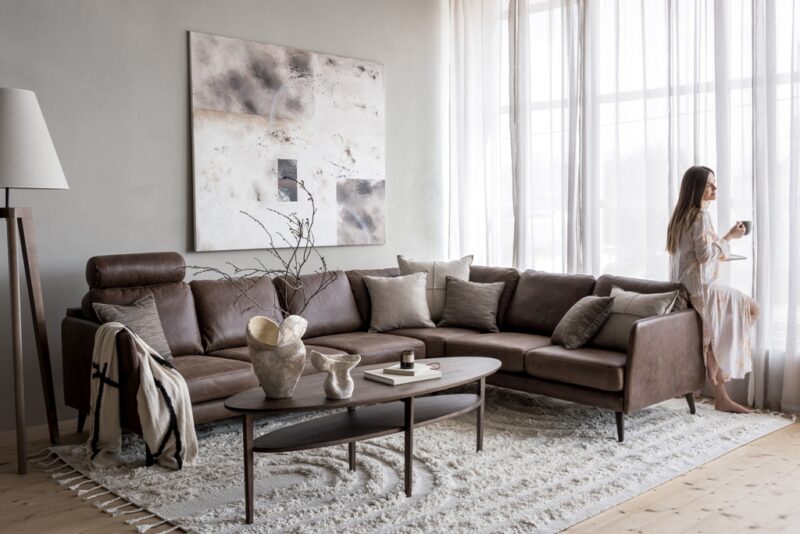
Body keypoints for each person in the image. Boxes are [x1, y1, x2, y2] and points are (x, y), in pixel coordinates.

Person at [666, 165, 760, 413]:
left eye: (714, 183)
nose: (715, 188)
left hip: (685, 289)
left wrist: (723, 241)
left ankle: (721, 397)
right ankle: (721, 363)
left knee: (713, 338)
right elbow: (705, 255)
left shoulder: (680, 216)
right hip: (703, 291)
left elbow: (689, 258)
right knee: (753, 309)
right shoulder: (700, 216)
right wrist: (729, 237)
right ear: (696, 188)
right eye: (709, 185)